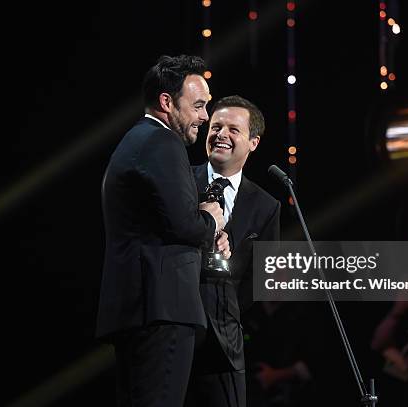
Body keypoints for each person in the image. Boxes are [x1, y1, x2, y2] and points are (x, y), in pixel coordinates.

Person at [96, 55, 230, 407]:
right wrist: (212, 218)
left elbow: (163, 223)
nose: (204, 116)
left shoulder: (137, 140)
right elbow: (185, 224)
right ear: (166, 102)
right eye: (199, 106)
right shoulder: (161, 142)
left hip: (143, 308)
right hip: (161, 309)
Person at [185, 95, 281, 407]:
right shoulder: (181, 181)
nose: (221, 134)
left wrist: (223, 310)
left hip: (225, 341)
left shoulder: (267, 206)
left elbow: (259, 278)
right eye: (216, 126)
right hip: (176, 327)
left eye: (233, 129)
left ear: (253, 142)